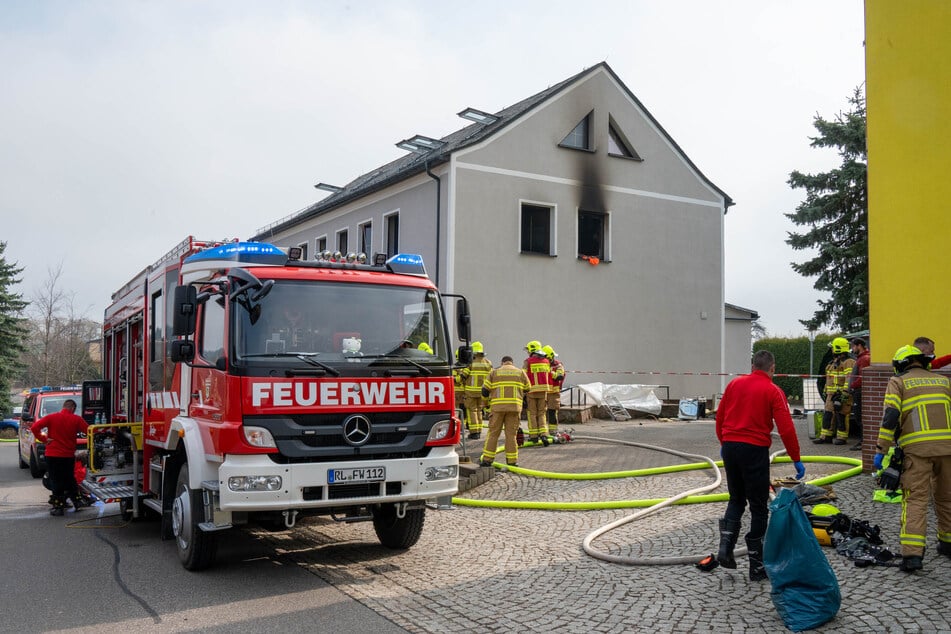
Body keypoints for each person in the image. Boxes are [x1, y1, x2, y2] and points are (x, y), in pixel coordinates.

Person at [714, 350, 804, 580]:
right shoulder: (773, 390)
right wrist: (796, 457)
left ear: (753, 366)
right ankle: (757, 565)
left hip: (731, 447)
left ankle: (725, 548)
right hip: (754, 450)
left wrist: (724, 443)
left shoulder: (734, 384)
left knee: (736, 499)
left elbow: (720, 417)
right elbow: (786, 428)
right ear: (772, 368)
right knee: (758, 505)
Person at [873, 345, 951, 572]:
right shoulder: (943, 381)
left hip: (917, 451)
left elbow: (891, 417)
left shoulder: (898, 382)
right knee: (947, 498)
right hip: (947, 449)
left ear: (901, 364)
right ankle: (947, 543)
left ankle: (913, 555)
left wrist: (881, 450)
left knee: (916, 499)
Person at [29, 399, 89, 516]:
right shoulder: (76, 419)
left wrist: (44, 439)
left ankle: (58, 506)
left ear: (64, 407)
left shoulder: (51, 417)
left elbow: (34, 428)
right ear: (73, 408)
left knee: (56, 479)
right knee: (69, 478)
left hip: (52, 455)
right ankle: (77, 501)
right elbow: (89, 431)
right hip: (68, 455)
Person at [479, 356, 531, 468]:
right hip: (514, 408)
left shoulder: (494, 372)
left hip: (497, 409)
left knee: (493, 434)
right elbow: (528, 388)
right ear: (512, 363)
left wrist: (485, 403)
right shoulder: (520, 372)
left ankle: (487, 460)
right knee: (511, 435)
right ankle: (512, 461)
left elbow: (484, 391)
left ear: (502, 362)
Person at [814, 337, 856, 445]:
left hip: (842, 394)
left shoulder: (849, 362)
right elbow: (829, 378)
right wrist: (825, 390)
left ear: (838, 348)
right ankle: (826, 436)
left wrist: (845, 394)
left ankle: (842, 437)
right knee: (828, 414)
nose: (831, 350)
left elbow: (849, 378)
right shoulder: (832, 363)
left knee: (842, 415)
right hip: (830, 395)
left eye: (833, 347)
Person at [460, 341, 493, 440]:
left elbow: (463, 375)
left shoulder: (470, 363)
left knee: (472, 411)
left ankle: (474, 432)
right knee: (479, 410)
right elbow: (491, 377)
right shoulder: (488, 363)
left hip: (470, 392)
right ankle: (479, 430)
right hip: (483, 392)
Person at [522, 340, 552, 446]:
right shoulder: (546, 361)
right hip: (543, 391)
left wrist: (523, 391)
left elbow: (523, 377)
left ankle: (534, 436)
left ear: (531, 349)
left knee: (532, 414)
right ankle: (543, 434)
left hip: (531, 391)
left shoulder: (528, 361)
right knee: (542, 413)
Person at [848, 338, 871, 451]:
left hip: (859, 392)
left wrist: (852, 386)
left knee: (860, 417)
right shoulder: (861, 359)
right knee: (859, 417)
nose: (852, 349)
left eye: (853, 346)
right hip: (858, 391)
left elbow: (862, 377)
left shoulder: (864, 359)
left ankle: (863, 441)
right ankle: (863, 441)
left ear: (859, 346)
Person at [542, 345, 565, 435]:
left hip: (553, 393)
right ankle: (542, 431)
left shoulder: (558, 365)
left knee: (552, 412)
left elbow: (560, 376)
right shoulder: (541, 364)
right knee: (541, 413)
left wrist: (550, 373)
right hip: (543, 391)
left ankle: (553, 431)